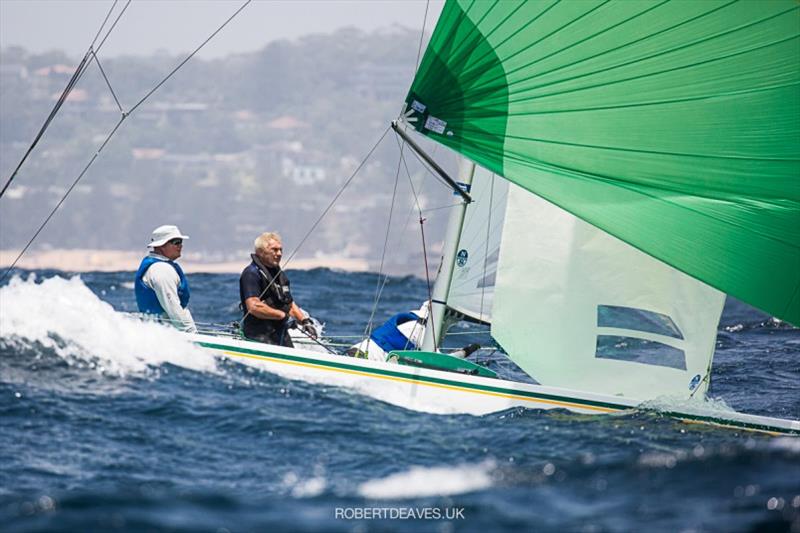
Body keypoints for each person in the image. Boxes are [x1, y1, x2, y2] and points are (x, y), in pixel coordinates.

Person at [239, 232, 316, 347]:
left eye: (281, 250)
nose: (279, 254)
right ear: (260, 252)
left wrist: (305, 321)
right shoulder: (251, 273)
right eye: (274, 250)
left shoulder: (280, 275)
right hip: (258, 336)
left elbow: (289, 304)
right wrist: (282, 316)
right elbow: (253, 307)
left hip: (280, 334)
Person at [134, 224, 197, 333]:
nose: (180, 246)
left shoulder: (161, 266)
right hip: (169, 335)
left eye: (181, 242)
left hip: (163, 334)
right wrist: (192, 333)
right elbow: (173, 309)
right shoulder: (161, 270)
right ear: (161, 245)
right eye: (176, 242)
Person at [347, 302, 428, 361]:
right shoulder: (417, 326)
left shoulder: (410, 320)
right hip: (362, 357)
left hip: (360, 353)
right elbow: (431, 356)